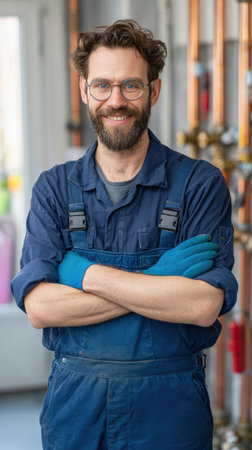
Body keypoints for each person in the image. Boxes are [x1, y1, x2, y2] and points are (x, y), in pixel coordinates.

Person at [11, 19, 238, 450]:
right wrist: (159, 279)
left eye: (131, 85)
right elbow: (40, 307)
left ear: (152, 91)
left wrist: (80, 273)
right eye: (102, 86)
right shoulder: (55, 188)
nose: (116, 101)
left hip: (170, 410)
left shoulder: (199, 184)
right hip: (75, 409)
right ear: (84, 92)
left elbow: (204, 304)